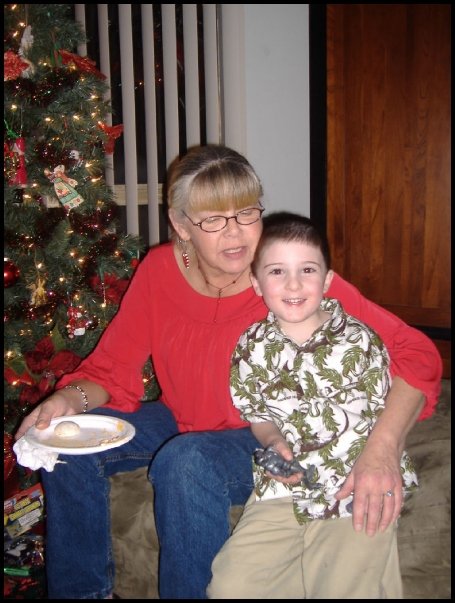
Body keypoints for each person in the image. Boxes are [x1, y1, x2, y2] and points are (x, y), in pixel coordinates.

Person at [14, 145, 442, 600]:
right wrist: (66, 403)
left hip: (263, 434)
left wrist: (381, 447)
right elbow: (113, 367)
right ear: (181, 225)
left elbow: (415, 353)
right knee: (64, 440)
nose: (235, 233)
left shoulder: (284, 280)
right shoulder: (160, 271)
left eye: (246, 213)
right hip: (180, 418)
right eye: (212, 220)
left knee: (187, 460)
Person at [207, 212, 418, 599]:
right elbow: (259, 415)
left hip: (353, 488)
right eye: (276, 271)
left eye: (307, 269)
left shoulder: (361, 340)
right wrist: (273, 442)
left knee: (345, 585)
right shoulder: (251, 346)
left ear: (328, 280)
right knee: (230, 585)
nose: (293, 284)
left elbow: (383, 418)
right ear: (256, 282)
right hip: (283, 491)